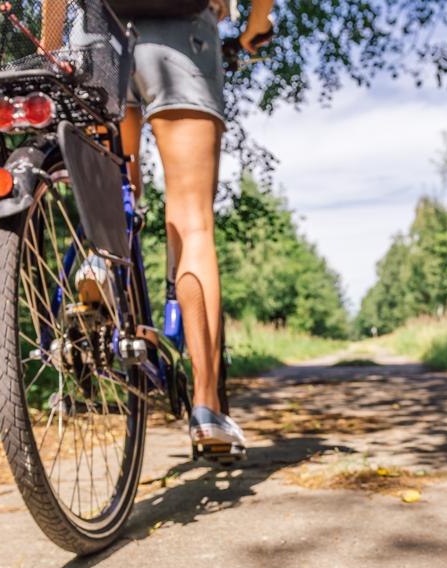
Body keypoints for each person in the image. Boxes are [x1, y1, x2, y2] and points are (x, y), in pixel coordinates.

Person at [47, 0, 274, 456]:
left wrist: (50, 46)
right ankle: (207, 407)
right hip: (181, 31)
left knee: (113, 194)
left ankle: (99, 265)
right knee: (192, 222)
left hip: (97, 31)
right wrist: (256, 24)